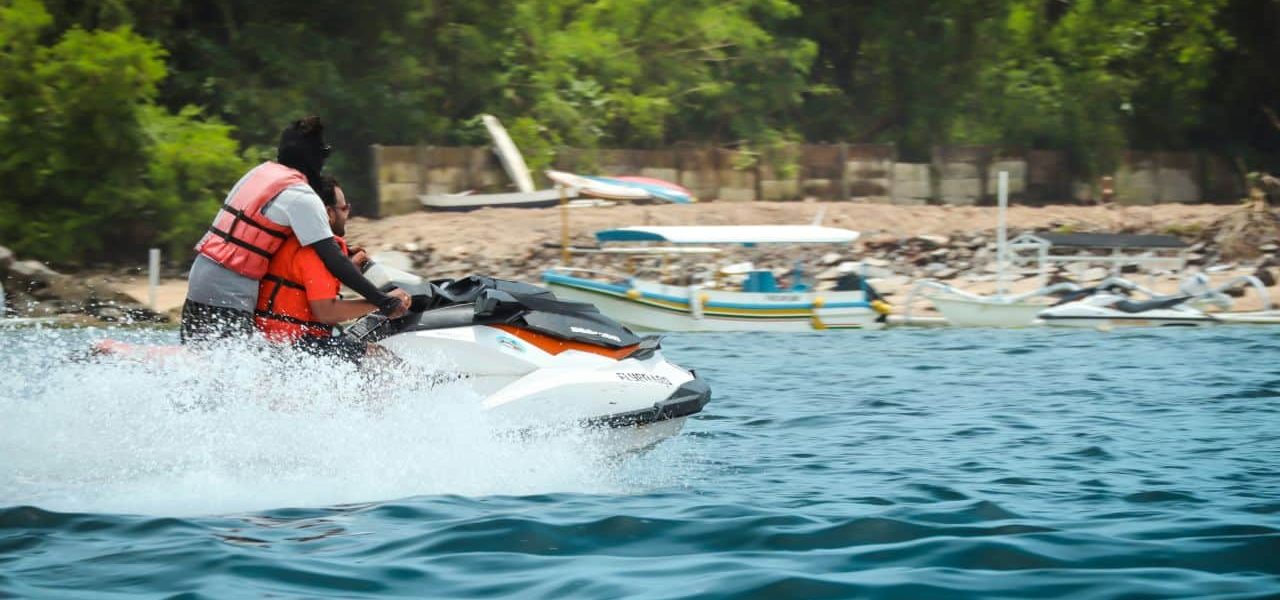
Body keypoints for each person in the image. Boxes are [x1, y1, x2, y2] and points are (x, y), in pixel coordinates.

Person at [181, 116, 409, 343]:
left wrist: (346, 251)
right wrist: (383, 301)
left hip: (201, 274)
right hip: (229, 290)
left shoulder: (259, 174)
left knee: (200, 357)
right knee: (227, 369)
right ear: (314, 158)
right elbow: (333, 260)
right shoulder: (301, 195)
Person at [253, 176, 391, 363]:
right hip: (295, 345)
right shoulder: (315, 252)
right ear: (328, 213)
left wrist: (349, 265)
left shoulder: (294, 242)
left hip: (276, 340)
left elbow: (308, 286)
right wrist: (385, 303)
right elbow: (326, 312)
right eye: (344, 208)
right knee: (380, 357)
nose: (347, 213)